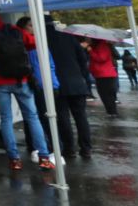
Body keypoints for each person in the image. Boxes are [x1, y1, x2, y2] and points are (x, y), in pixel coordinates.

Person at [0, 2, 53, 171]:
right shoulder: (12, 28)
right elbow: (32, 43)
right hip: (19, 78)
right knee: (32, 116)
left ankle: (14, 159)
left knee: (6, 119)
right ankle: (44, 156)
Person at [16, 16, 58, 164]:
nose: (33, 28)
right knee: (37, 117)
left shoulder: (36, 42)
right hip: (36, 84)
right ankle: (45, 149)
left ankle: (41, 148)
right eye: (30, 25)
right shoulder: (29, 43)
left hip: (38, 83)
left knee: (35, 116)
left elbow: (49, 64)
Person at [48, 21, 93, 159]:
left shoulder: (43, 40)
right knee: (81, 117)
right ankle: (86, 148)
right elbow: (83, 59)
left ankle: (69, 148)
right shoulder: (68, 37)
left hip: (57, 84)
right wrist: (83, 76)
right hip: (77, 82)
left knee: (63, 118)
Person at [86, 37, 121, 116]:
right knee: (106, 95)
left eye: (89, 39)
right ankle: (111, 112)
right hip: (101, 74)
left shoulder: (102, 45)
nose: (88, 40)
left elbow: (102, 58)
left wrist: (91, 51)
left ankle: (112, 112)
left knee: (106, 95)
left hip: (104, 74)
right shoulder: (99, 45)